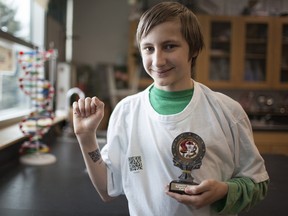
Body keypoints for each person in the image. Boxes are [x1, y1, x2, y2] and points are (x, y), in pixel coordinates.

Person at [73, 2, 269, 215]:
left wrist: (224, 191)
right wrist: (86, 138)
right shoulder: (126, 112)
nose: (157, 60)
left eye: (169, 46)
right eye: (149, 48)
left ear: (193, 49)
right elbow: (108, 191)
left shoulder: (228, 111)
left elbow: (258, 183)